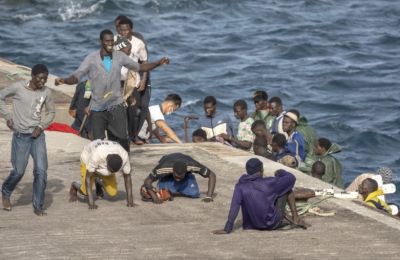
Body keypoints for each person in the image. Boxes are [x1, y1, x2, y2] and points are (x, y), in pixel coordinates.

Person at [54, 29, 169, 152]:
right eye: (106, 41)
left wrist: (158, 63)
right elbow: (77, 75)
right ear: (101, 42)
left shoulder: (119, 57)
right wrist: (64, 80)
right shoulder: (92, 58)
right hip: (98, 107)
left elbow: (140, 67)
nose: (109, 44)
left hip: (115, 105)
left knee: (123, 139)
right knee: (98, 143)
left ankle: (125, 166)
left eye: (111, 41)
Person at [0, 64, 55, 216]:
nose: (42, 82)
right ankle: (6, 191)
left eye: (45, 79)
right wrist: (8, 117)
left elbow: (51, 112)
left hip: (37, 136)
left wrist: (42, 126)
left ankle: (38, 205)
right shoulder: (18, 87)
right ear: (32, 76)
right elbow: (1, 97)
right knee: (18, 171)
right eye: (39, 78)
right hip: (20, 136)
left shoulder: (46, 92)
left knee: (41, 171)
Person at [213, 158, 306, 234]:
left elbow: (234, 207)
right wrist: (280, 172)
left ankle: (288, 216)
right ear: (261, 170)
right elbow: (291, 178)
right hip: (272, 223)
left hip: (253, 224)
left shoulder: (240, 186)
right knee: (286, 188)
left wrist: (227, 228)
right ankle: (295, 218)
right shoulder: (269, 182)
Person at [69, 140, 136, 209]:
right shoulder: (97, 154)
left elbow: (127, 176)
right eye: (110, 170)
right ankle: (74, 185)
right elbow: (88, 177)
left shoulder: (124, 156)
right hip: (87, 160)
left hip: (101, 164)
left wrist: (130, 201)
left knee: (113, 192)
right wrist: (91, 203)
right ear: (107, 162)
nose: (111, 172)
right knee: (85, 191)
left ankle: (98, 182)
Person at [118, 17, 152, 145]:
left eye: (126, 30)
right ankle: (120, 135)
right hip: (118, 80)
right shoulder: (115, 41)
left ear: (131, 30)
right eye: (121, 30)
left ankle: (133, 136)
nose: (124, 33)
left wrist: (143, 81)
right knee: (118, 110)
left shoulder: (139, 43)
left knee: (132, 110)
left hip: (133, 80)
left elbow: (144, 62)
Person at [141, 153, 216, 203]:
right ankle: (164, 185)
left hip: (186, 173)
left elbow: (212, 175)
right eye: (176, 177)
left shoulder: (193, 165)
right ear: (173, 171)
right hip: (167, 175)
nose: (178, 179)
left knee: (195, 194)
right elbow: (147, 181)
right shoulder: (163, 168)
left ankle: (174, 188)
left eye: (180, 177)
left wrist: (209, 196)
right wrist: (154, 197)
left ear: (186, 171)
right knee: (162, 193)